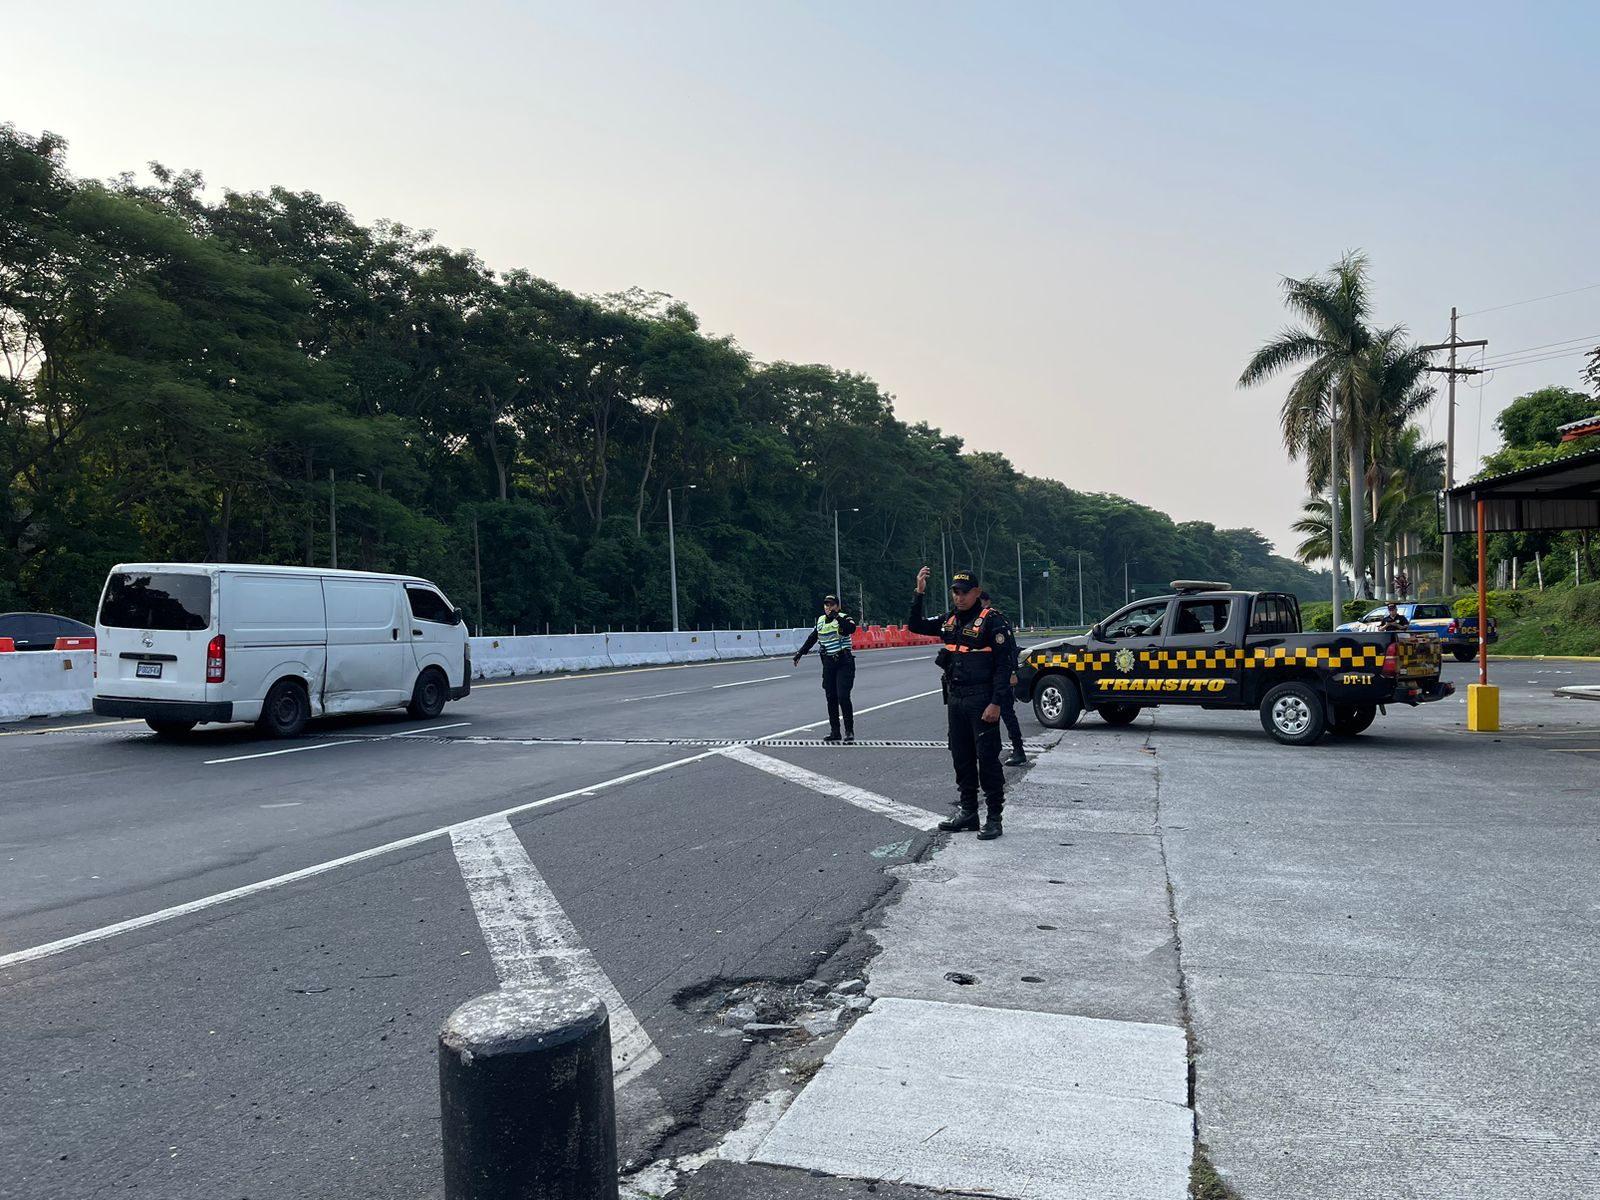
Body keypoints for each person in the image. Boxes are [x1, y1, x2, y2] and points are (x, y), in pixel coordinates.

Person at [908, 567, 1013, 840]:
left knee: (987, 759)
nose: (959, 597)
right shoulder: (949, 620)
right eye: (955, 592)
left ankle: (994, 817)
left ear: (977, 592)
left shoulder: (992, 621)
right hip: (956, 699)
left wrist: (996, 703)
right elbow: (915, 626)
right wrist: (919, 593)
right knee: (961, 757)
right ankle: (968, 812)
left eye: (964, 592)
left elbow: (1004, 666)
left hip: (982, 699)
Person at [793, 593, 858, 742]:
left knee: (843, 696)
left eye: (832, 605)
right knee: (831, 697)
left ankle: (849, 731)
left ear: (837, 606)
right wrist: (800, 653)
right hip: (828, 664)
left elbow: (851, 629)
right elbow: (812, 638)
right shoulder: (821, 621)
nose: (828, 607)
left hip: (844, 662)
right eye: (826, 605)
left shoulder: (844, 618)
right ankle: (835, 732)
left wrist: (837, 617)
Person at [979, 590, 1028, 766]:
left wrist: (1013, 672)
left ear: (986, 602)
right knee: (987, 716)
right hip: (987, 676)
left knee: (1006, 713)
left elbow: (1010, 649)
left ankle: (1018, 750)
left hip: (1002, 676)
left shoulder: (996, 620)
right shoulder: (977, 622)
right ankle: (993, 750)